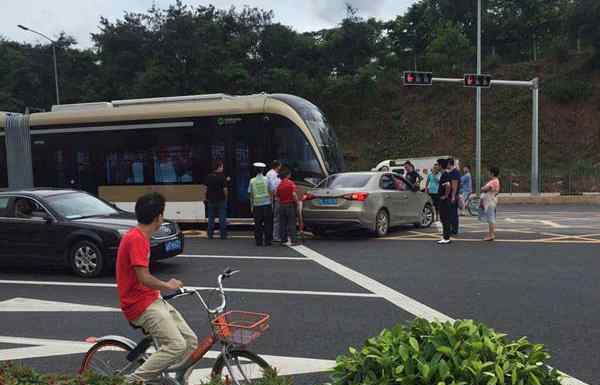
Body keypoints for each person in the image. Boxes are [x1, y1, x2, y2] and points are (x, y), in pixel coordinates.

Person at [117, 193, 198, 384]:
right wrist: (167, 285)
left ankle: (179, 380)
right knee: (176, 345)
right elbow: (143, 277)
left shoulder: (142, 237)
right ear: (158, 217)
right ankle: (132, 381)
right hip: (139, 305)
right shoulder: (136, 239)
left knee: (191, 342)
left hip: (152, 299)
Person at [248, 162, 273, 246]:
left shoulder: (252, 181)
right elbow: (271, 191)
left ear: (255, 170)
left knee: (257, 224)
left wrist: (251, 206)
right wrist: (271, 203)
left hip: (256, 205)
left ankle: (258, 241)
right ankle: (268, 241)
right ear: (263, 170)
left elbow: (250, 194)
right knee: (267, 223)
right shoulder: (267, 179)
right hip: (267, 204)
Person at [276, 167, 299, 246]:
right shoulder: (291, 183)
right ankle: (293, 240)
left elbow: (278, 197)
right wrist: (297, 203)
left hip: (281, 205)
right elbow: (294, 194)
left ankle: (283, 240)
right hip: (290, 205)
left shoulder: (279, 185)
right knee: (292, 223)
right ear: (287, 175)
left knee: (282, 223)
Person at [205, 160, 228, 240]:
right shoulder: (222, 177)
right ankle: (223, 235)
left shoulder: (209, 176)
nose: (222, 168)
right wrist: (226, 197)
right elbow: (225, 189)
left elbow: (206, 189)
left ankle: (210, 235)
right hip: (221, 200)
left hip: (211, 200)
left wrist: (206, 198)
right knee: (222, 218)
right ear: (219, 167)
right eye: (222, 166)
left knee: (211, 219)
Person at [437, 158, 456, 244]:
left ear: (441, 165)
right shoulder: (444, 174)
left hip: (444, 200)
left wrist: (445, 196)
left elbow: (448, 185)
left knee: (445, 218)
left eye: (437, 164)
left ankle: (446, 238)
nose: (436, 166)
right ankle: (445, 237)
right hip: (444, 199)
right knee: (444, 218)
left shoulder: (445, 174)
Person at [480, 166, 501, 241]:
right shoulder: (495, 180)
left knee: (491, 218)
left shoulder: (494, 181)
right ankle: (490, 234)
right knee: (490, 218)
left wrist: (483, 188)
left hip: (490, 201)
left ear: (492, 173)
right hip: (491, 201)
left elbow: (485, 189)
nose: (488, 173)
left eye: (489, 172)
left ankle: (491, 235)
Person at [266, 160, 282, 242]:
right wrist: (275, 196)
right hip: (274, 198)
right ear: (278, 166)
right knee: (276, 218)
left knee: (275, 218)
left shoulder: (270, 173)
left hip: (273, 198)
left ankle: (274, 234)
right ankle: (275, 236)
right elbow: (272, 187)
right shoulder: (273, 174)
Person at [447, 158, 461, 235]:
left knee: (453, 213)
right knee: (452, 213)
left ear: (449, 164)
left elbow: (454, 186)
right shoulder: (452, 172)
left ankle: (454, 230)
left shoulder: (454, 173)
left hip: (453, 196)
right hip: (453, 195)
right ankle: (453, 229)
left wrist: (453, 196)